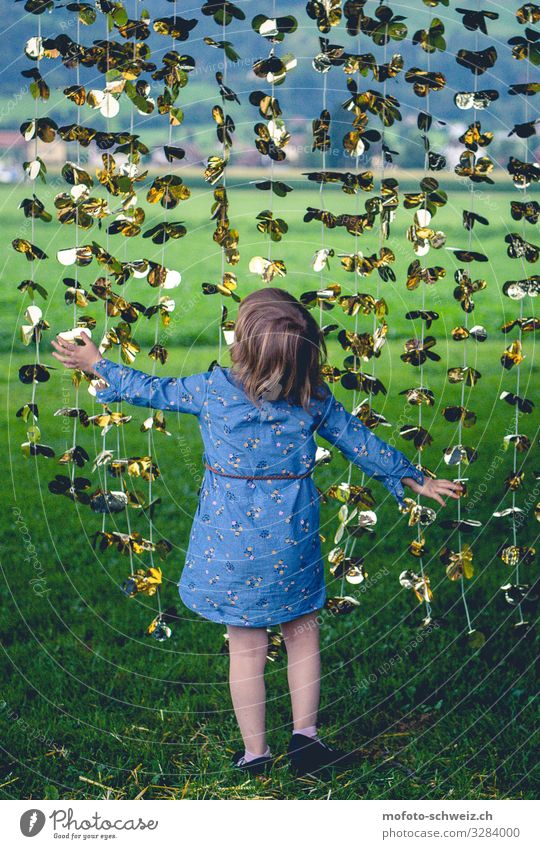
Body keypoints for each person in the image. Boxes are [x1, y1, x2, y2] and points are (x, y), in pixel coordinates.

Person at [51, 288, 462, 778]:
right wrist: (412, 476)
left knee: (246, 649)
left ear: (240, 345)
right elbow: (359, 440)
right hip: (293, 542)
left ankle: (256, 755)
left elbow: (148, 388)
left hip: (228, 546)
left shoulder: (210, 390)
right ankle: (306, 745)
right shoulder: (313, 399)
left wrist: (98, 362)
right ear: (308, 353)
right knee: (302, 638)